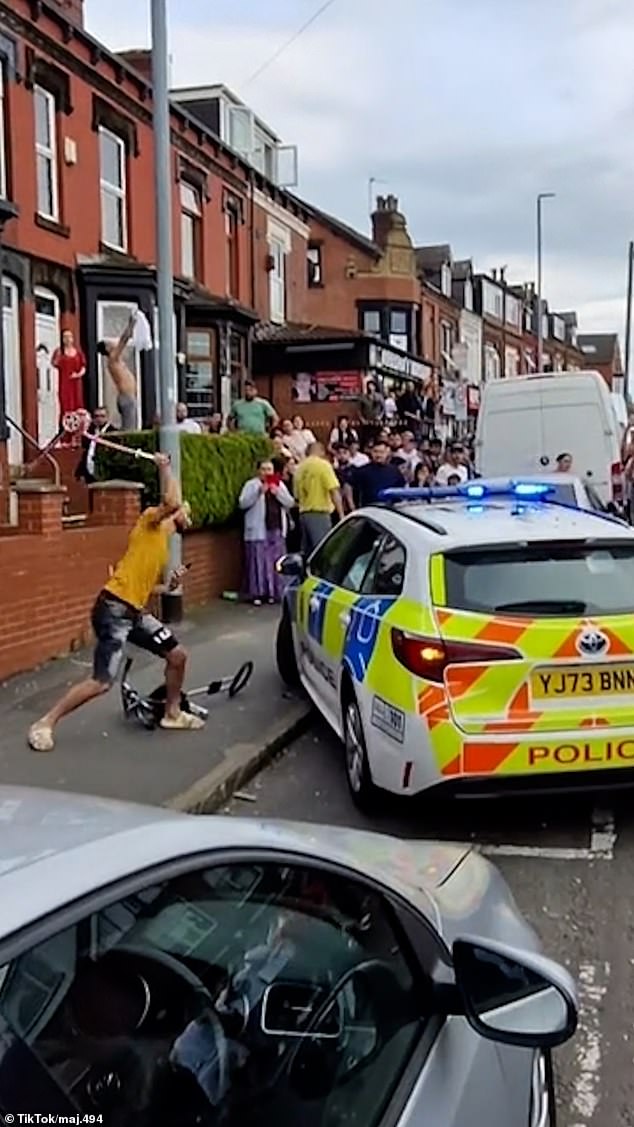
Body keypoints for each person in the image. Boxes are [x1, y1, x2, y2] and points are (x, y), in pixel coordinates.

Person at [27, 454, 203, 752]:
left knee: (178, 656)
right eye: (187, 512)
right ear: (177, 514)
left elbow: (143, 585)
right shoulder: (150, 521)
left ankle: (172, 713)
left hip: (134, 611)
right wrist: (165, 467)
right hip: (113, 609)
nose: (189, 516)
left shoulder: (160, 546)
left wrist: (168, 585)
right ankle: (44, 723)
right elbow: (172, 502)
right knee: (101, 682)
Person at [239, 459, 295, 606]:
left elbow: (290, 502)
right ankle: (257, 593)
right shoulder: (251, 485)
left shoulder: (279, 484)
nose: (266, 472)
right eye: (263, 469)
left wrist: (278, 493)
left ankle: (273, 593)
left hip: (276, 529)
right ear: (258, 471)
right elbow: (243, 503)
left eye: (269, 469)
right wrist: (259, 492)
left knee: (275, 562)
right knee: (258, 562)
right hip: (258, 530)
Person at [293, 441, 343, 554]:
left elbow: (296, 495)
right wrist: (341, 514)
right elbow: (334, 491)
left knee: (307, 551)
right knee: (322, 549)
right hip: (319, 512)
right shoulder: (323, 465)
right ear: (321, 451)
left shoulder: (299, 469)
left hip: (303, 513)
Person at [97, 314, 138, 430]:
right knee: (129, 429)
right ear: (107, 349)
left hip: (129, 397)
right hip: (126, 397)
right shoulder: (113, 359)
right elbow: (124, 340)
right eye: (109, 344)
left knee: (131, 425)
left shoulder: (117, 360)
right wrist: (131, 324)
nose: (112, 344)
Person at [344, 441, 404, 509]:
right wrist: (352, 506)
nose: (378, 455)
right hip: (369, 511)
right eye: (375, 451)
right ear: (371, 452)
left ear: (387, 453)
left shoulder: (394, 470)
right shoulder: (363, 470)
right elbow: (348, 485)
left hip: (391, 510)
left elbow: (401, 489)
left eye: (381, 452)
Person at [74, 406, 114, 485]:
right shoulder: (90, 432)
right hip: (90, 473)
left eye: (102, 416)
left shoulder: (113, 433)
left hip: (104, 474)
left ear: (107, 417)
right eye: (96, 416)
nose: (99, 419)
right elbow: (86, 452)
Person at [52, 328, 86, 417]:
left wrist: (78, 374)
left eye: (70, 336)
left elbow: (83, 366)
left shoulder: (78, 352)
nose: (68, 339)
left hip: (76, 382)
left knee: (78, 403)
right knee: (66, 404)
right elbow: (54, 363)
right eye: (65, 337)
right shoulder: (60, 352)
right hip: (65, 383)